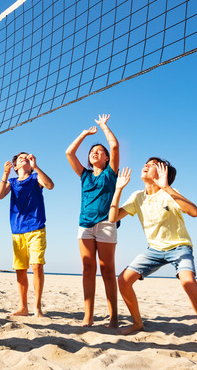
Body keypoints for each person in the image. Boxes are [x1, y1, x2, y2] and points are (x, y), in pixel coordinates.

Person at [108, 159, 197, 349]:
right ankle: (137, 323)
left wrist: (167, 187)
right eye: (145, 162)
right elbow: (112, 218)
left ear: (162, 173)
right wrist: (118, 189)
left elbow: (194, 212)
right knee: (123, 280)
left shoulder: (169, 193)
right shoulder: (138, 196)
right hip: (154, 249)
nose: (146, 164)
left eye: (153, 164)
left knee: (188, 282)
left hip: (179, 247)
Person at [65, 114, 119, 328]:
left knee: (107, 269)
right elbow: (69, 152)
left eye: (100, 152)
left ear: (106, 159)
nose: (96, 153)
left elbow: (114, 146)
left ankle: (113, 317)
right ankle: (88, 317)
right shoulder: (84, 175)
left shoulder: (110, 174)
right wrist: (84, 134)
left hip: (106, 224)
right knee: (88, 268)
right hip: (85, 225)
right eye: (92, 152)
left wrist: (104, 126)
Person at [0, 152, 54, 317]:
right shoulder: (12, 182)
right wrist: (5, 174)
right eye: (20, 157)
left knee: (36, 266)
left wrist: (36, 166)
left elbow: (50, 185)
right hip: (17, 231)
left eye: (26, 157)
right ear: (15, 166)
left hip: (36, 228)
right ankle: (23, 307)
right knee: (21, 270)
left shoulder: (36, 177)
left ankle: (37, 307)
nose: (24, 158)